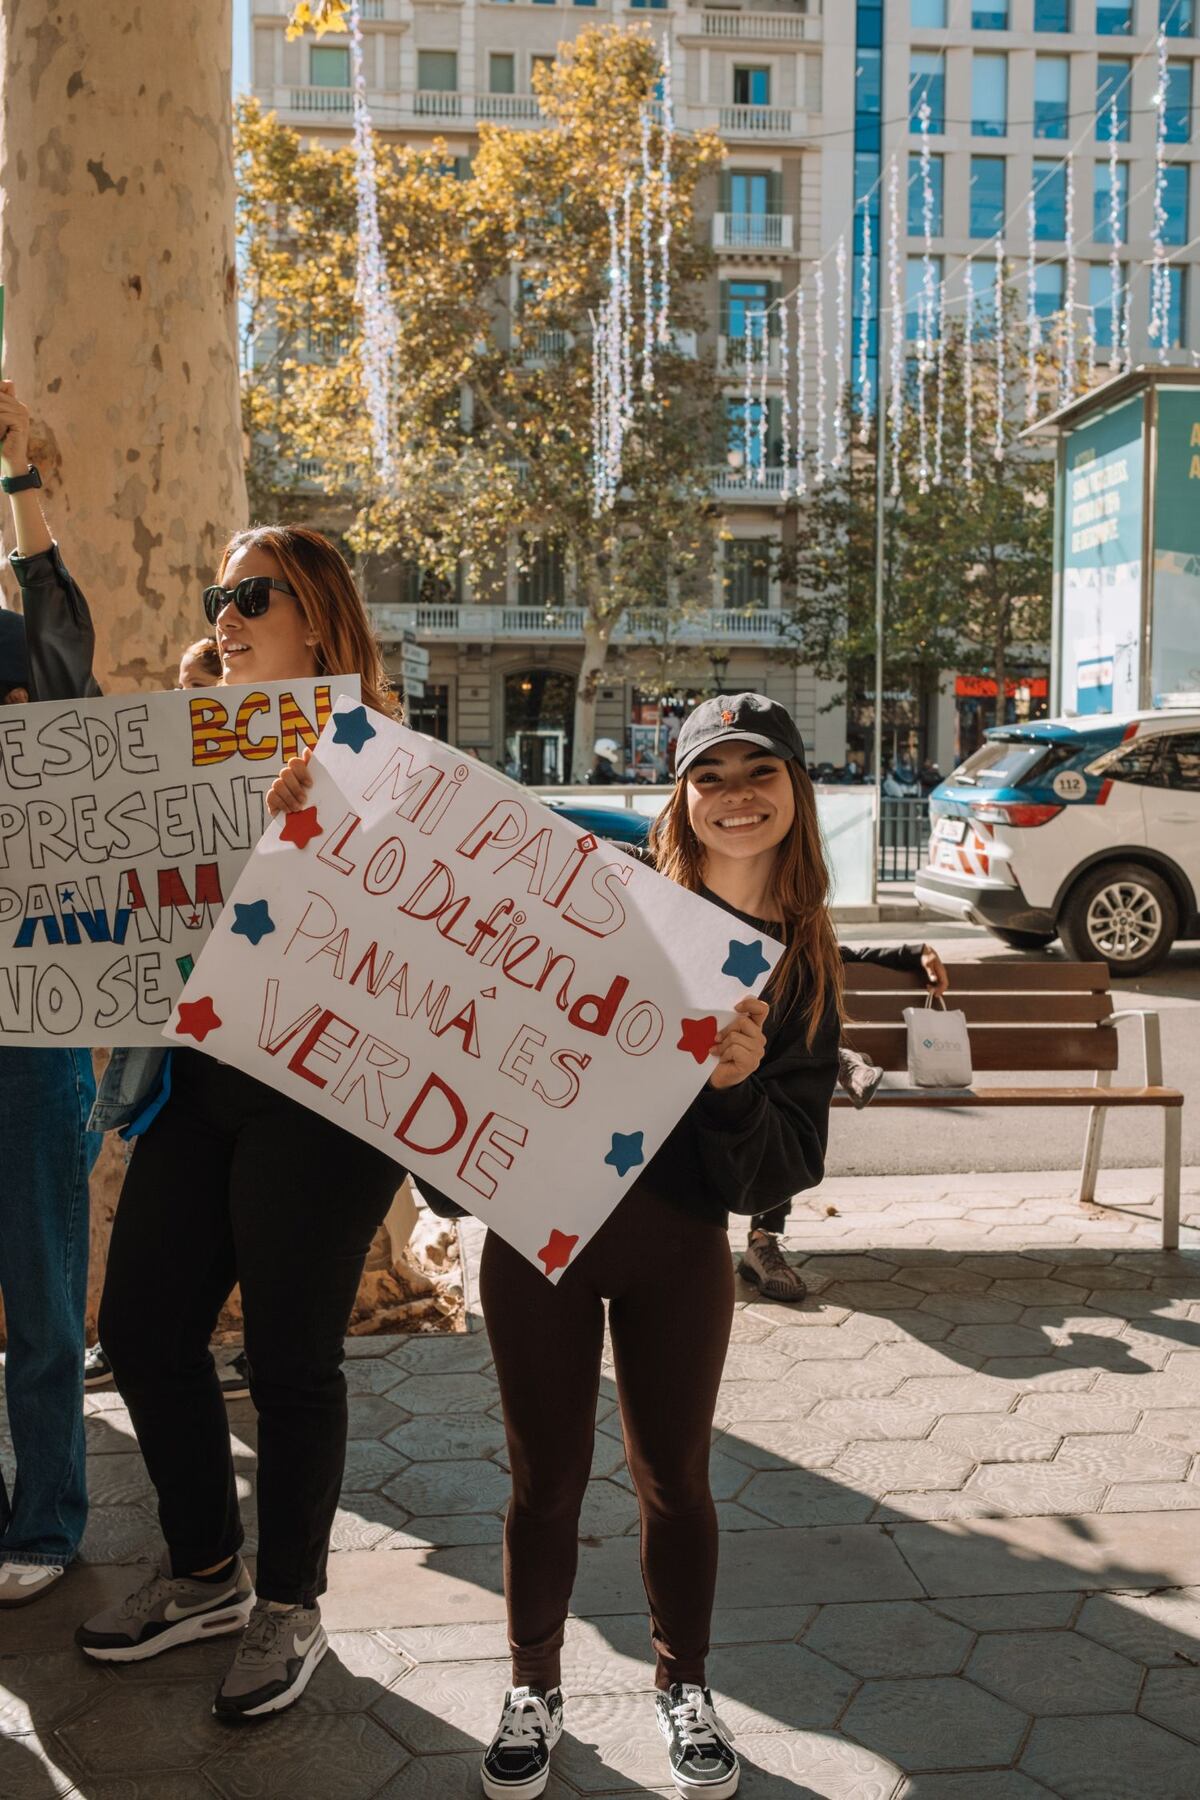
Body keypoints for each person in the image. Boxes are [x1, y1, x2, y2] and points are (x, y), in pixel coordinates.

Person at [307, 690, 831, 1800]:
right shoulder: (613, 906)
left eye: (760, 773)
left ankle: (685, 1689)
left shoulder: (807, 966)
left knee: (673, 1482)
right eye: (711, 776)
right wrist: (320, 814)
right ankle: (533, 1687)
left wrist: (736, 1088)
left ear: (797, 790)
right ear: (679, 798)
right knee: (544, 1485)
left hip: (680, 1250)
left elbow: (780, 1169)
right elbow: (444, 931)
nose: (736, 798)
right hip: (541, 1238)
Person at [74, 527, 405, 1722]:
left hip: (328, 1100)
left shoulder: (391, 754)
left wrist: (332, 825)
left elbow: (438, 941)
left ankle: (289, 1605)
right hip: (206, 1076)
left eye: (251, 593)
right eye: (218, 593)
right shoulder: (188, 745)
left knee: (287, 1357)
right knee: (145, 1324)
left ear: (317, 615)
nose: (225, 611)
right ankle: (206, 1572)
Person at [0, 380, 103, 1606]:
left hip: (33, 1027)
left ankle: (46, 1524)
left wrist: (22, 471)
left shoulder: (40, 668)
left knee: (38, 1283)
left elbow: (61, 624)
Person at [739, 942, 950, 1303]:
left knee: (787, 1093)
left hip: (776, 1072)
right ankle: (842, 1060)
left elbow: (843, 951)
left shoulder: (799, 940)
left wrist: (917, 951)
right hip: (722, 1056)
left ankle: (763, 1241)